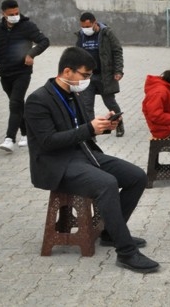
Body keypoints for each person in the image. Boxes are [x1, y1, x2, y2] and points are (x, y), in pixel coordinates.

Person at [24, 47, 158, 273]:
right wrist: (89, 128)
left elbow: (84, 130)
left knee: (137, 176)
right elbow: (48, 142)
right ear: (67, 71)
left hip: (83, 154)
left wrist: (104, 126)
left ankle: (109, 232)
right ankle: (126, 253)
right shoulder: (38, 100)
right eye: (85, 76)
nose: (87, 80)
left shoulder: (71, 93)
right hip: (56, 164)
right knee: (107, 184)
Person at [0, 0, 50, 152]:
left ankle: (9, 138)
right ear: (3, 14)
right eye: (11, 14)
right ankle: (26, 133)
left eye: (17, 12)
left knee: (15, 103)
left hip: (22, 72)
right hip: (5, 73)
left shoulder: (27, 26)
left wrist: (31, 54)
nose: (15, 16)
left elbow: (44, 41)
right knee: (17, 104)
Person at [76, 12, 126, 137]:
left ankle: (118, 124)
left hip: (105, 75)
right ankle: (91, 132)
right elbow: (76, 55)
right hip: (87, 77)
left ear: (95, 22)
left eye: (88, 26)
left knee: (110, 103)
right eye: (83, 26)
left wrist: (118, 70)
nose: (85, 29)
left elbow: (117, 51)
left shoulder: (107, 33)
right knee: (87, 105)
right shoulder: (81, 36)